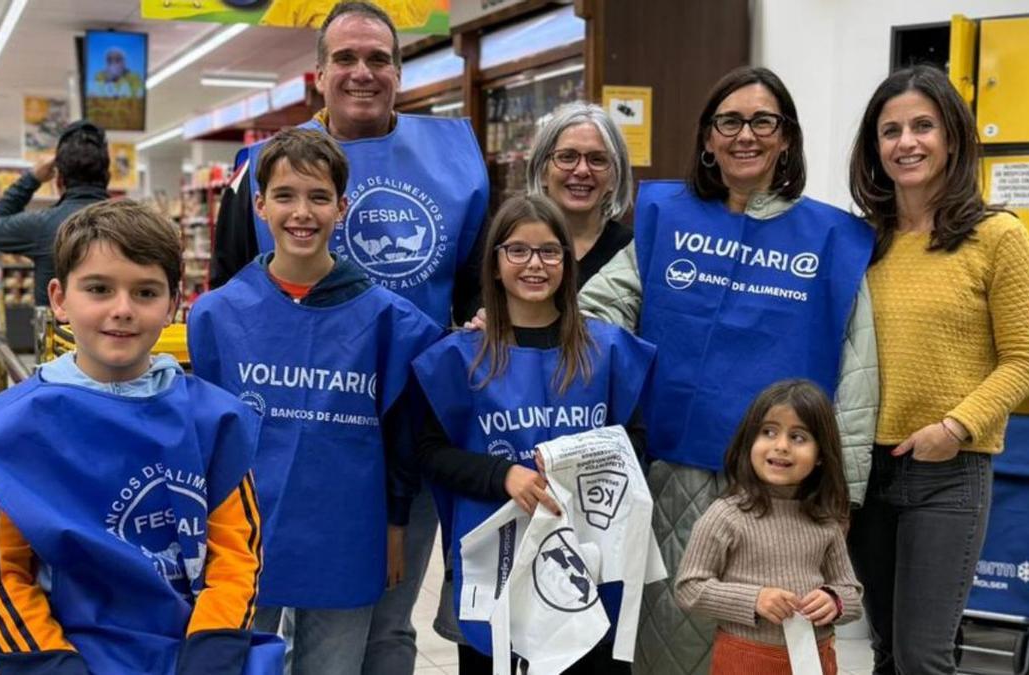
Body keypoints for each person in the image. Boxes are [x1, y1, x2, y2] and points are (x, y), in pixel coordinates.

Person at [211, 4, 490, 673]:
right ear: (318, 73)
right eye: (345, 58)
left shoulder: (457, 163)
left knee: (386, 626)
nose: (362, 72)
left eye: (378, 59)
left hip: (406, 427)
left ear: (400, 70)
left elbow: (478, 284)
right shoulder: (264, 169)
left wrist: (481, 325)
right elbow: (229, 293)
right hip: (282, 433)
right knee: (252, 619)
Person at [578, 66, 877, 675]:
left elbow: (860, 373)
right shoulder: (668, 221)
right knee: (674, 650)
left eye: (763, 121)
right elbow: (597, 311)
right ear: (708, 139)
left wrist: (845, 494)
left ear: (786, 137)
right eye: (730, 121)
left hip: (786, 495)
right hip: (679, 477)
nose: (747, 134)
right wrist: (516, 329)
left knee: (771, 650)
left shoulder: (832, 240)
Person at [0, 200, 282, 674]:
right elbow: (0, 576)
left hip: (189, 646)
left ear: (173, 304)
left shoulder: (212, 421)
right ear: (59, 299)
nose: (122, 310)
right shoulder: (3, 438)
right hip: (54, 650)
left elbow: (236, 554)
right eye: (99, 289)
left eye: (145, 292)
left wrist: (210, 653)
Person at [188, 128, 443, 675]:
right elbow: (203, 438)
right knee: (239, 664)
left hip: (346, 533)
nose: (301, 212)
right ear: (259, 205)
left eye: (319, 197)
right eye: (284, 196)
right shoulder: (216, 316)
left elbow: (402, 436)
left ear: (342, 207)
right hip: (241, 538)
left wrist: (396, 524)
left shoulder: (390, 322)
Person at [846, 64, 1029, 675]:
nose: (906, 142)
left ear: (951, 137)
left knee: (923, 657)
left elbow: (1024, 360)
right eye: (890, 130)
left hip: (948, 471)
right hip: (866, 473)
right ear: (875, 149)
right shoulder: (862, 240)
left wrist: (954, 427)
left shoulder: (997, 235)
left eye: (922, 126)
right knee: (883, 651)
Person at [412, 194, 655, 674]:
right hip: (494, 557)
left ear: (567, 261)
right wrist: (504, 476)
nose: (534, 264)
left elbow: (638, 443)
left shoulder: (608, 351)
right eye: (518, 250)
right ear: (495, 262)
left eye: (549, 251)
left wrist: (585, 464)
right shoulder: (459, 357)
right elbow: (430, 452)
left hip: (588, 560)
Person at [675, 379, 863, 675]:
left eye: (799, 437)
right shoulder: (726, 515)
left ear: (821, 456)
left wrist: (834, 601)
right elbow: (688, 588)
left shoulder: (826, 520)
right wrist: (754, 599)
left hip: (815, 660)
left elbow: (851, 593)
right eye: (768, 432)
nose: (781, 446)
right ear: (749, 441)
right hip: (744, 660)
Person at [0, 120, 112, 308]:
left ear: (59, 181)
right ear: (108, 177)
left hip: (57, 334)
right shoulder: (137, 226)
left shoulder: (43, 225)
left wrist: (32, 178)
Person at [526, 102, 635, 287]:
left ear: (615, 177)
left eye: (598, 159)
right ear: (542, 172)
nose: (583, 170)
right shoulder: (513, 243)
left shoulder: (633, 251)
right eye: (567, 157)